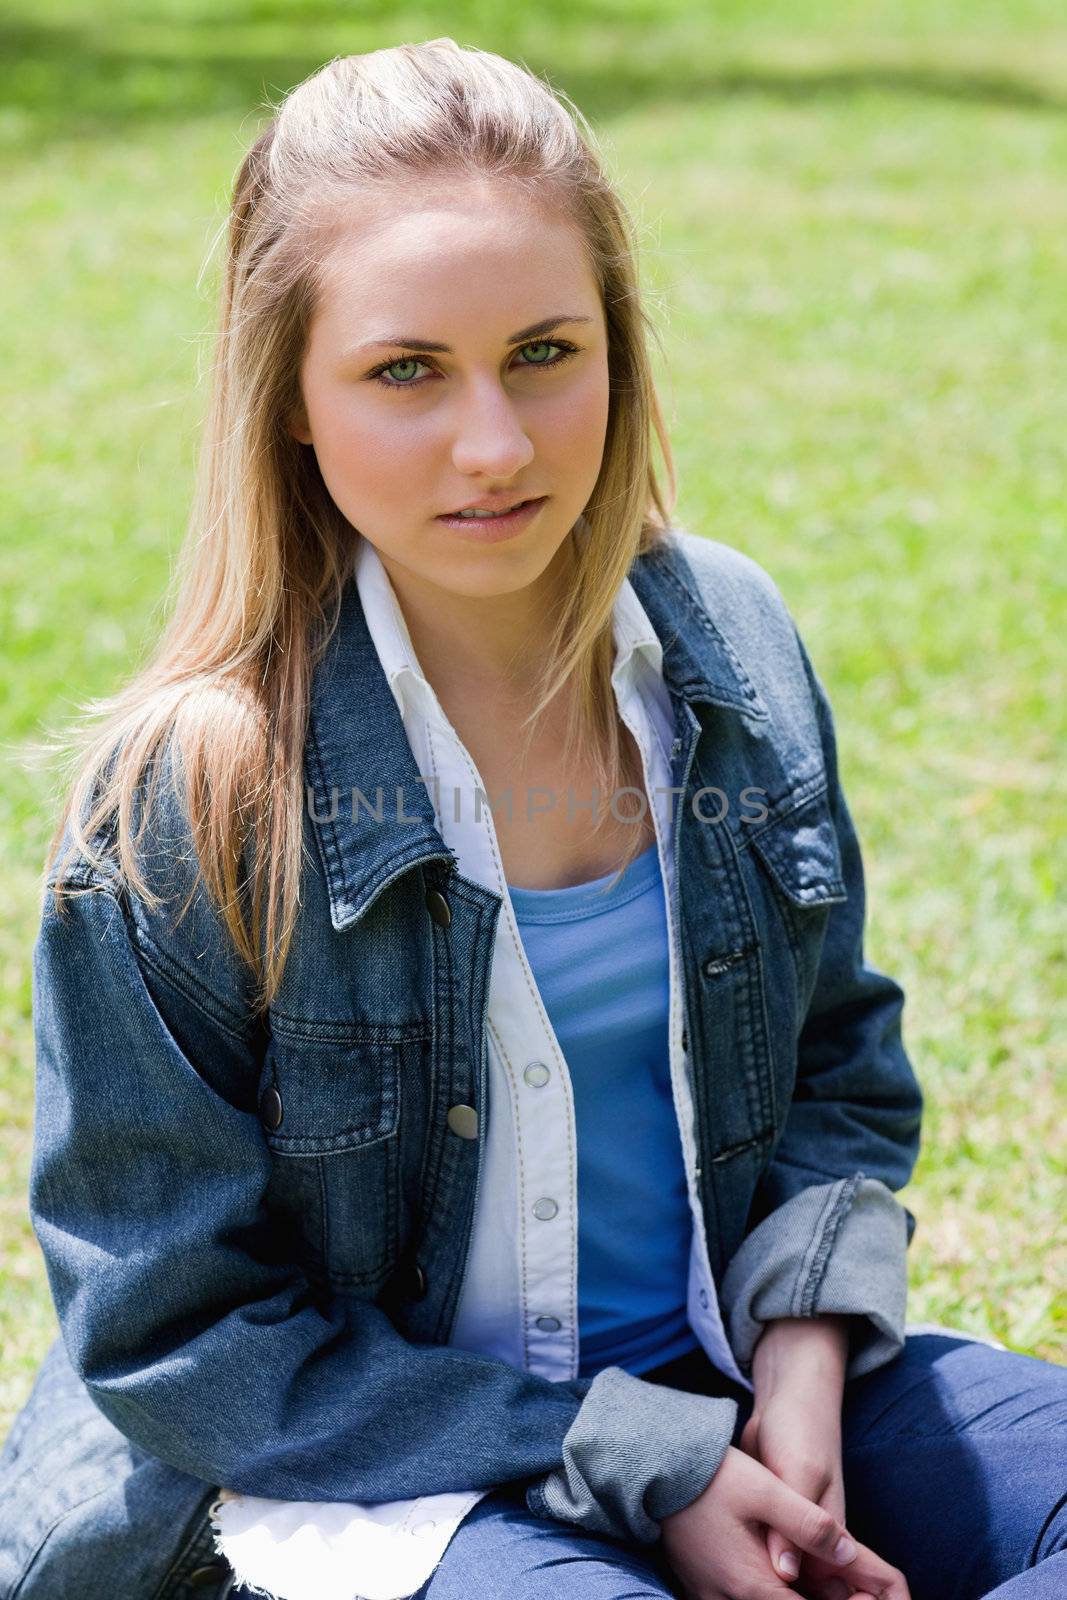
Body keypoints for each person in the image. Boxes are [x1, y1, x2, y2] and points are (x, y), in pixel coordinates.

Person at [1, 37, 1063, 1600]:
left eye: (547, 353)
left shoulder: (730, 648)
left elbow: (837, 1061)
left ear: (619, 352)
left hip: (724, 1379)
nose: (494, 446)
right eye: (406, 371)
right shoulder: (189, 797)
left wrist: (807, 1358)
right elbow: (178, 1335)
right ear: (290, 397)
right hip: (378, 1479)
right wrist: (640, 1459)